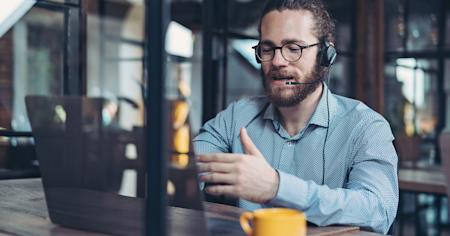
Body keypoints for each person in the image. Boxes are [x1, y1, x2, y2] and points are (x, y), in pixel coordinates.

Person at [193, 0, 398, 234]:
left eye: (294, 48)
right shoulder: (236, 116)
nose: (278, 61)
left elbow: (378, 210)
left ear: (325, 55)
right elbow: (187, 169)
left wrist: (276, 187)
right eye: (268, 49)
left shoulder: (366, 127)